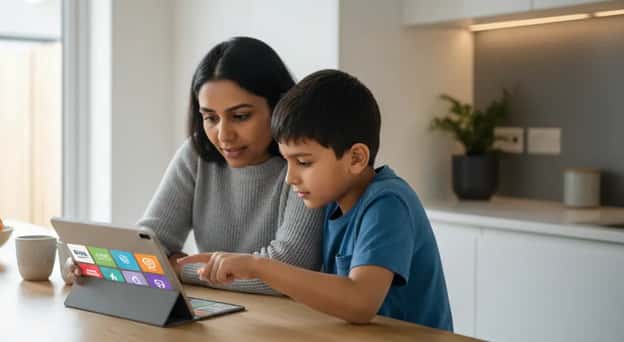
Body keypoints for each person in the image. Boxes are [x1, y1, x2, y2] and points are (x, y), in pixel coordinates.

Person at [178, 69, 453, 330]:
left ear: (356, 158)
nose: (290, 178)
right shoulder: (334, 202)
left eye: (304, 162)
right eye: (287, 162)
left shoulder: (388, 204)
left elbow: (360, 302)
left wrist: (257, 266)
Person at [63, 37, 325, 295]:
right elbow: (148, 245)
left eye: (241, 116)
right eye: (210, 118)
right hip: (224, 317)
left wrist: (180, 268)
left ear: (278, 106)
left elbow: (289, 268)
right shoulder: (196, 155)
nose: (223, 135)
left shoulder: (304, 163)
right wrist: (92, 263)